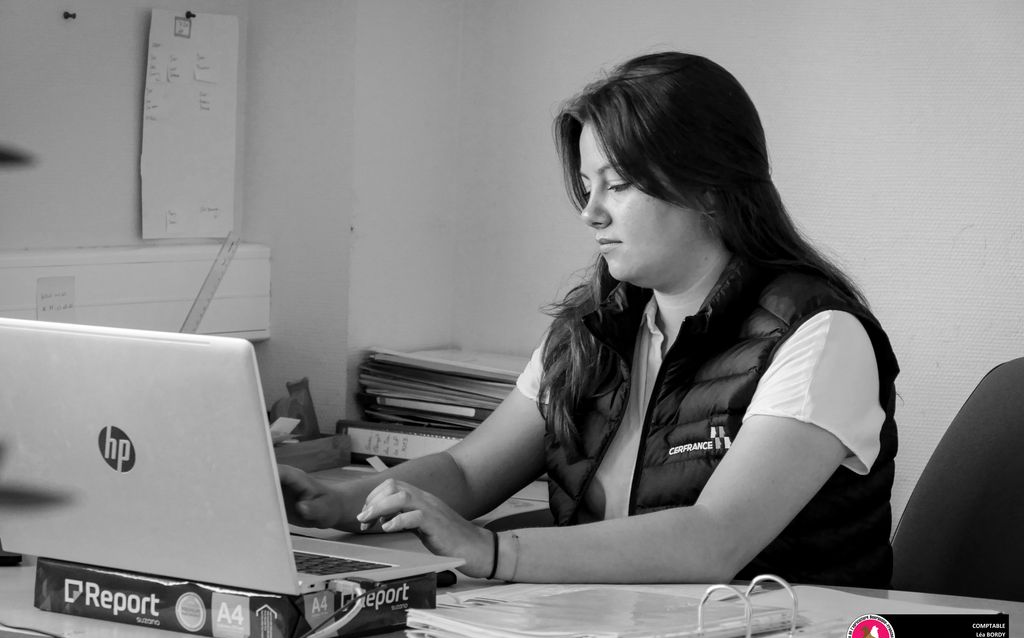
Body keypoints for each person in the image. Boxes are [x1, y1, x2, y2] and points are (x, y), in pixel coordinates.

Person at [281, 52, 899, 588]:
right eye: (585, 186)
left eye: (619, 185)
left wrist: (492, 552)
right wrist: (335, 504)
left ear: (709, 188)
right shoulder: (591, 328)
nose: (591, 213)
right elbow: (469, 471)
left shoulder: (819, 336)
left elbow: (713, 541)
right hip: (616, 637)